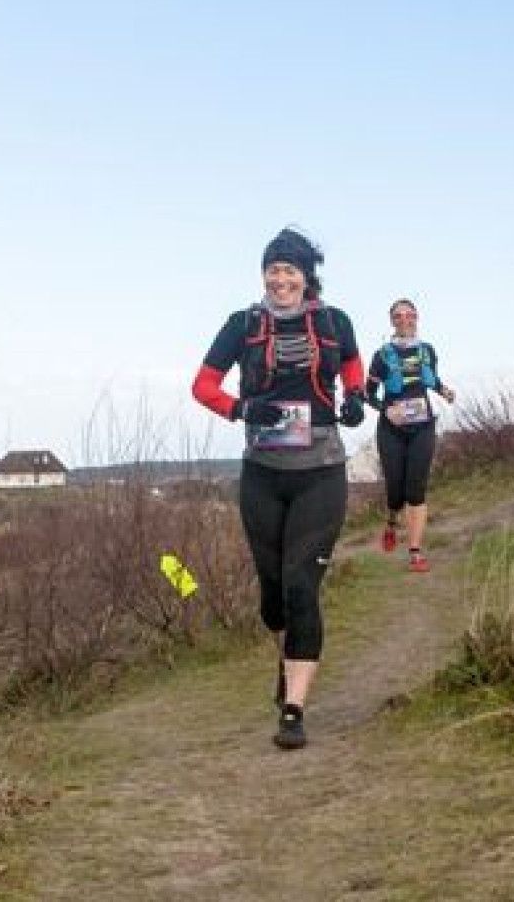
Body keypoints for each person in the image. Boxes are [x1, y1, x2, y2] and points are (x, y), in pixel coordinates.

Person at [191, 228, 368, 750]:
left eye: (290, 270)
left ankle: (294, 710)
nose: (280, 277)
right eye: (273, 269)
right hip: (263, 473)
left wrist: (356, 396)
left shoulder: (335, 322)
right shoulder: (242, 325)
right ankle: (286, 661)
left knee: (300, 585)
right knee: (272, 599)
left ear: (306, 276)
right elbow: (203, 385)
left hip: (321, 471)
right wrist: (242, 409)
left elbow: (353, 366)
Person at [365, 298, 455, 573]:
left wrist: (445, 392)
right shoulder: (381, 355)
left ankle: (415, 551)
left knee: (416, 490)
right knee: (396, 490)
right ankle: (392, 520)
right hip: (391, 428)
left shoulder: (427, 350)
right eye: (399, 315)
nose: (405, 320)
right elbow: (368, 394)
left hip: (423, 425)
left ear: (417, 318)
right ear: (392, 321)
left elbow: (432, 380)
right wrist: (385, 409)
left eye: (410, 315)